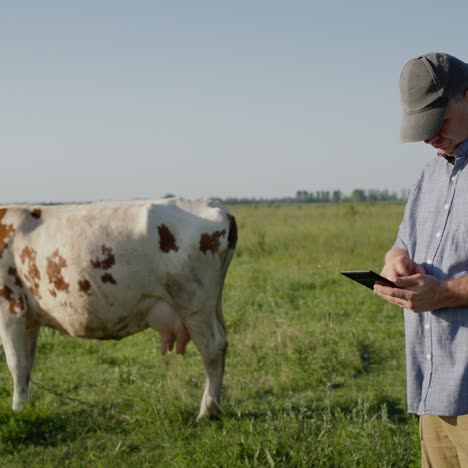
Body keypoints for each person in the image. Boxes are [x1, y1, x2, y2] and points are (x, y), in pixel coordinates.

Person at [374, 52, 468, 467]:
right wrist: (395, 260)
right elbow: (402, 244)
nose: (430, 137)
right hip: (435, 384)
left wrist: (445, 292)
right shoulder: (429, 177)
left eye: (438, 122)